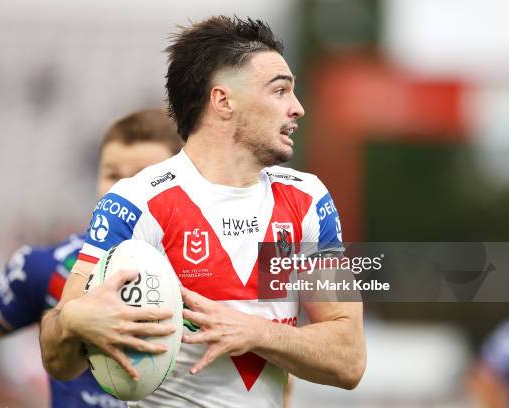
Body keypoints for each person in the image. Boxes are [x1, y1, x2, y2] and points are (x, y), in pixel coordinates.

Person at [40, 16, 366, 408]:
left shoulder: (309, 200)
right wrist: (75, 321)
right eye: (280, 91)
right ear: (223, 101)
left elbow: (350, 358)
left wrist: (255, 333)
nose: (297, 108)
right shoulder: (135, 202)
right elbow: (58, 358)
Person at [0, 108, 183, 408]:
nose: (121, 189)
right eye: (111, 174)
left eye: (141, 176)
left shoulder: (221, 266)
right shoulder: (53, 267)